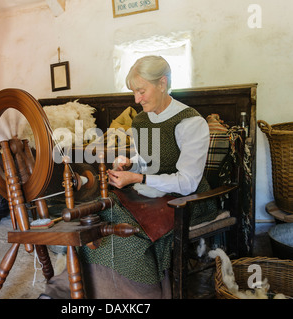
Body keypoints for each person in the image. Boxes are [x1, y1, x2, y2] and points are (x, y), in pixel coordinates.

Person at [43, 55, 218, 299]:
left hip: (187, 201)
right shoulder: (141, 120)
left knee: (127, 232)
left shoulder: (191, 123)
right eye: (134, 92)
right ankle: (68, 289)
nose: (136, 99)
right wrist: (130, 163)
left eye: (141, 91)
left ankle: (136, 297)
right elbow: (146, 161)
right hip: (151, 196)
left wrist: (137, 179)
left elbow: (188, 182)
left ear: (162, 83)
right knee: (97, 219)